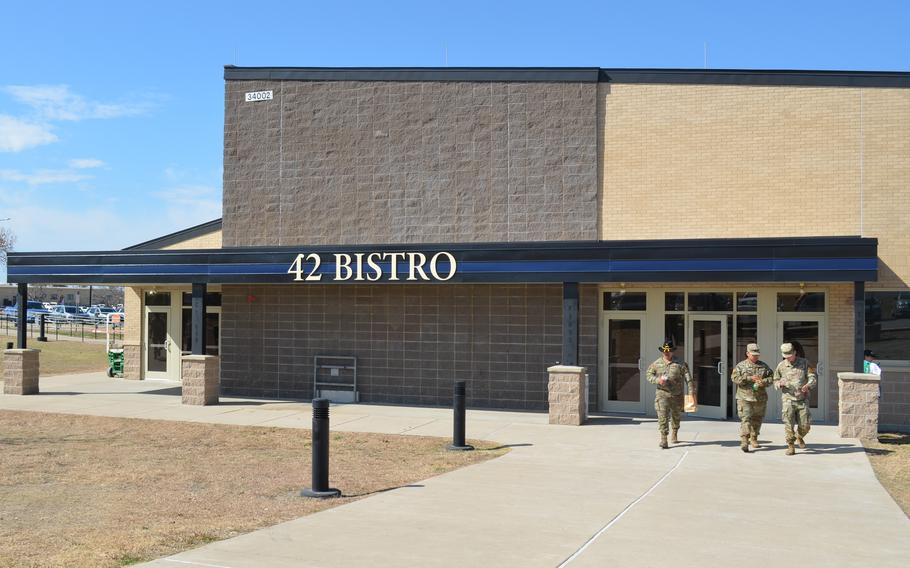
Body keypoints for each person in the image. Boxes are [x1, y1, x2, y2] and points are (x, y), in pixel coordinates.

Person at [646, 340, 696, 449]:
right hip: (662, 395)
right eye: (664, 351)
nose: (666, 353)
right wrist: (657, 380)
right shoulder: (656, 363)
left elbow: (689, 379)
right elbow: (649, 375)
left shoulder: (681, 363)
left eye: (668, 351)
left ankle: (674, 433)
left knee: (676, 416)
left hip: (676, 395)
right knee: (662, 417)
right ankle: (664, 439)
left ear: (672, 351)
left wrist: (691, 393)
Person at [774, 342, 817, 456]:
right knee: (788, 424)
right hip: (788, 399)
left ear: (795, 353)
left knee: (805, 425)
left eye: (790, 355)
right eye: (785, 356)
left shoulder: (805, 363)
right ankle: (790, 446)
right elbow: (775, 380)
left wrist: (808, 385)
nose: (788, 358)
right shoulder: (781, 366)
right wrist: (779, 384)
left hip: (802, 399)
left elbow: (812, 377)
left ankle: (799, 436)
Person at [730, 343, 774, 453]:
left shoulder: (764, 366)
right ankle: (744, 440)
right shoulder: (741, 366)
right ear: (747, 354)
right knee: (746, 419)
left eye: (757, 355)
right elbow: (734, 378)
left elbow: (772, 378)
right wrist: (749, 378)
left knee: (757, 419)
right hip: (745, 397)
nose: (755, 357)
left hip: (760, 398)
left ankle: (754, 438)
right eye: (753, 354)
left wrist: (763, 381)